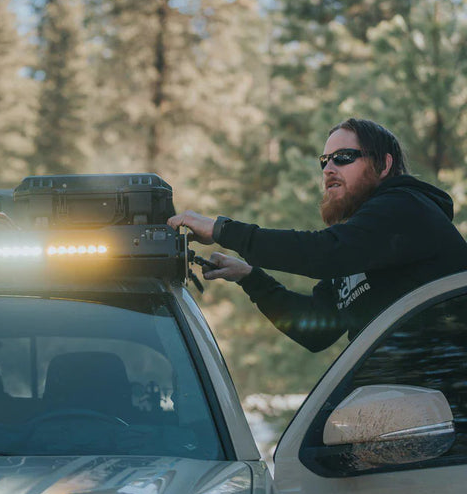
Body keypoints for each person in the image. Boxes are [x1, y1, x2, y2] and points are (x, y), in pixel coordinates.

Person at [168, 118, 467, 351]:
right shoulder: (363, 242)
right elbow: (315, 329)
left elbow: (324, 253)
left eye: (344, 157)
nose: (329, 169)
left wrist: (222, 230)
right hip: (403, 402)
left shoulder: (405, 207)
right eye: (325, 161)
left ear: (384, 164)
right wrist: (250, 278)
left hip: (445, 404)